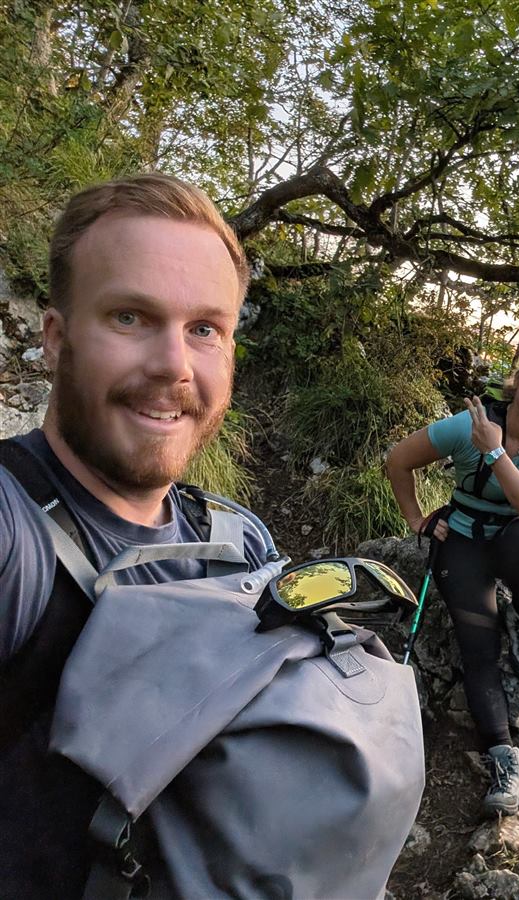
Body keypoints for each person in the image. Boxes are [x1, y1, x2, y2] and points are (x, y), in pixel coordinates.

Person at [0, 174, 272, 895]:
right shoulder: (13, 539)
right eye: (130, 318)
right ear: (56, 339)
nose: (174, 366)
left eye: (205, 328)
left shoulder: (241, 544)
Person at [386, 346, 519, 815]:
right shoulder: (465, 425)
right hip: (464, 537)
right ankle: (502, 754)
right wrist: (416, 520)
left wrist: (493, 450)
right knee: (479, 646)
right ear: (518, 381)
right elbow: (398, 460)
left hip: (516, 537)